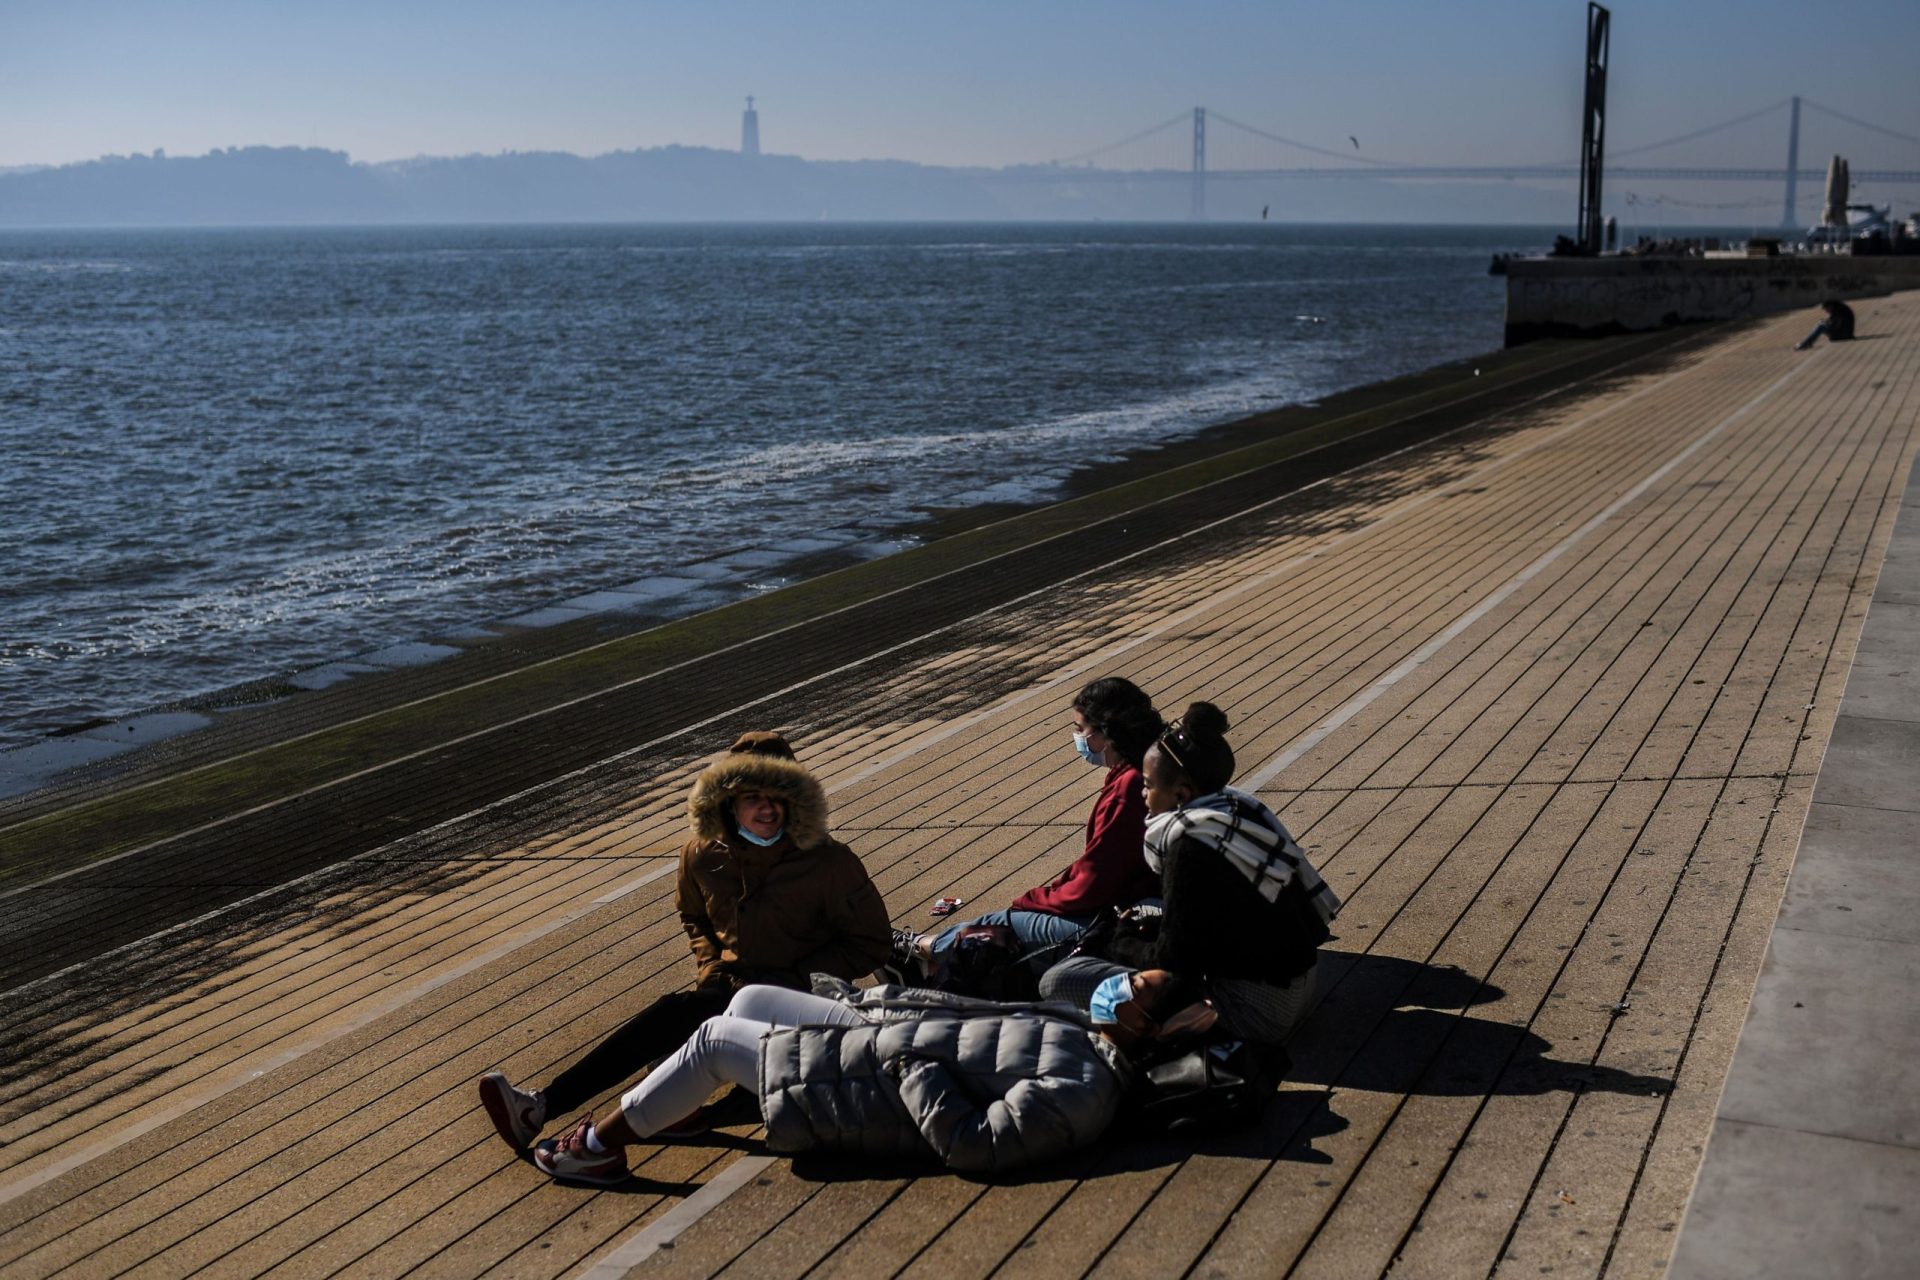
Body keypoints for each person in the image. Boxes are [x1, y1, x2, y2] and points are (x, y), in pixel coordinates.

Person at [478, 731, 892, 1152]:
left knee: (719, 1067)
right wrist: (711, 967)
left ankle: (647, 1123)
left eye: (779, 796)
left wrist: (796, 978)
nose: (767, 808)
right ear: (730, 802)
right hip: (726, 985)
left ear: (796, 801)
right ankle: (539, 1107)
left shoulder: (829, 861)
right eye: (753, 796)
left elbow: (871, 941)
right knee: (670, 1018)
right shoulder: (700, 854)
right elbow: (694, 917)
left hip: (798, 997)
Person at [528, 970, 1215, 1184]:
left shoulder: (1081, 1092)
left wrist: (906, 1063)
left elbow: (977, 1144)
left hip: (871, 1086)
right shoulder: (1089, 1035)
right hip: (886, 1036)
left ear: (1147, 1030)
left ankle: (600, 1148)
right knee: (752, 1000)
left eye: (1136, 988)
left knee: (714, 1036)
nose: (1117, 982)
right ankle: (678, 1103)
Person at [1039, 702, 1341, 1047]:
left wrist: (1121, 941)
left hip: (1253, 1013)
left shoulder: (1189, 845)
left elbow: (1173, 961)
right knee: (1147, 917)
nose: (1142, 792)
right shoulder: (1237, 807)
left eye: (1148, 784)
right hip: (1299, 988)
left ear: (1180, 794)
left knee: (1059, 981)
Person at [893, 677, 1165, 980]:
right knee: (1008, 922)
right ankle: (924, 958)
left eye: (1079, 729)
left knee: (993, 927)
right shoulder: (1149, 768)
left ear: (1106, 733)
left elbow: (1094, 884)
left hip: (1120, 919)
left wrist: (1035, 900)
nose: (1076, 737)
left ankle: (918, 951)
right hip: (1137, 904)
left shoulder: (1130, 785)